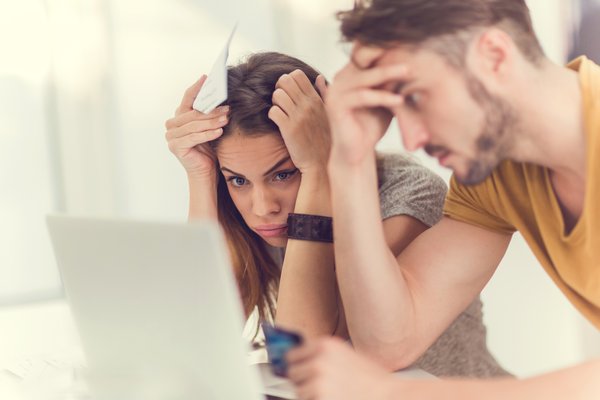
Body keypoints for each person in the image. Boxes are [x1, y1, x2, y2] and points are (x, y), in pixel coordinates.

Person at [285, 0, 600, 399]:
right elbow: (389, 342)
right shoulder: (496, 173)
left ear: (494, 56)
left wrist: (395, 394)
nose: (413, 138)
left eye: (415, 98)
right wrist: (350, 161)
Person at [164, 51, 508, 377]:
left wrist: (317, 169)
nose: (263, 206)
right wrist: (200, 173)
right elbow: (200, 339)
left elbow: (299, 354)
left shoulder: (406, 195)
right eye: (238, 180)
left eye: (283, 174)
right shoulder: (263, 221)